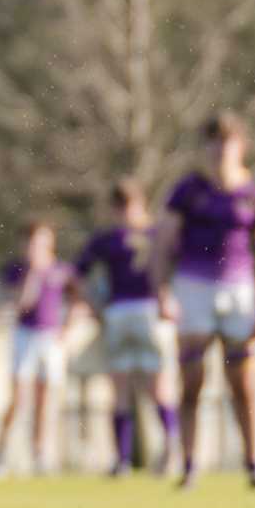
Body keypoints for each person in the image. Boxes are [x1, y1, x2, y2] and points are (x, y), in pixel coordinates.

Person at [155, 113, 255, 489]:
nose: (220, 149)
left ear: (242, 146)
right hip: (194, 289)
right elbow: (162, 245)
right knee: (191, 381)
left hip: (239, 290)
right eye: (214, 141)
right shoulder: (188, 191)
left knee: (243, 384)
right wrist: (163, 293)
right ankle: (190, 465)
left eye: (228, 141)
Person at [75, 179, 180, 477]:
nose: (123, 211)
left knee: (156, 385)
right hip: (121, 313)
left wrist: (170, 297)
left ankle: (169, 447)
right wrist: (93, 305)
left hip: (147, 311)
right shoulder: (115, 237)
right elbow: (76, 275)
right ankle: (122, 460)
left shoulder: (155, 234)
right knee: (120, 388)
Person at [0, 221, 81, 476]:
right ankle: (0, 453)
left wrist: (68, 327)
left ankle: (40, 454)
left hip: (51, 338)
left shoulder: (62, 270)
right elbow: (21, 304)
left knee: (45, 398)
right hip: (25, 335)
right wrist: (32, 276)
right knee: (19, 398)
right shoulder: (19, 270)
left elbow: (77, 299)